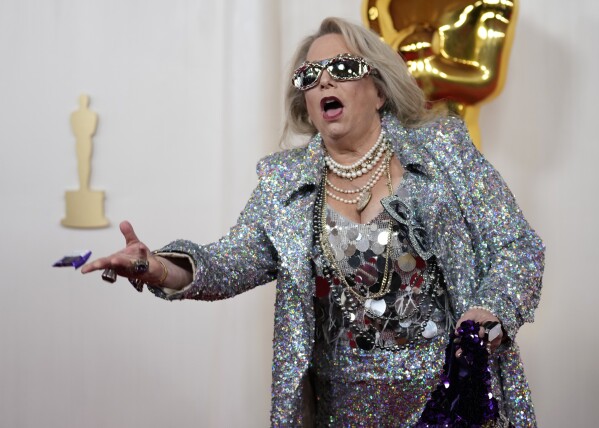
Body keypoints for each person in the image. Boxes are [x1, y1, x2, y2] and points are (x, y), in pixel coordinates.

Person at [82, 17, 544, 427]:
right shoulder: (284, 183)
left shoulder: (443, 150)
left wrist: (487, 313)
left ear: (379, 89)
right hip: (340, 411)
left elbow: (518, 245)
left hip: (445, 402)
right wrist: (158, 266)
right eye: (310, 76)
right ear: (305, 102)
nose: (325, 82)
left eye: (342, 69)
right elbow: (231, 262)